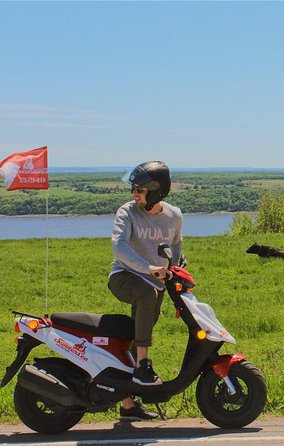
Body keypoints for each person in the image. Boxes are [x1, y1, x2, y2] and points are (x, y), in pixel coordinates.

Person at [108, 160, 183, 421]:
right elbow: (119, 248)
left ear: (155, 191)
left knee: (137, 332)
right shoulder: (126, 212)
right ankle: (142, 366)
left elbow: (175, 244)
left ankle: (128, 404)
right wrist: (148, 267)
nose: (133, 194)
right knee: (145, 296)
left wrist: (176, 267)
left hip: (155, 282)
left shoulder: (174, 215)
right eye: (133, 189)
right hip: (124, 276)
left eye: (138, 190)